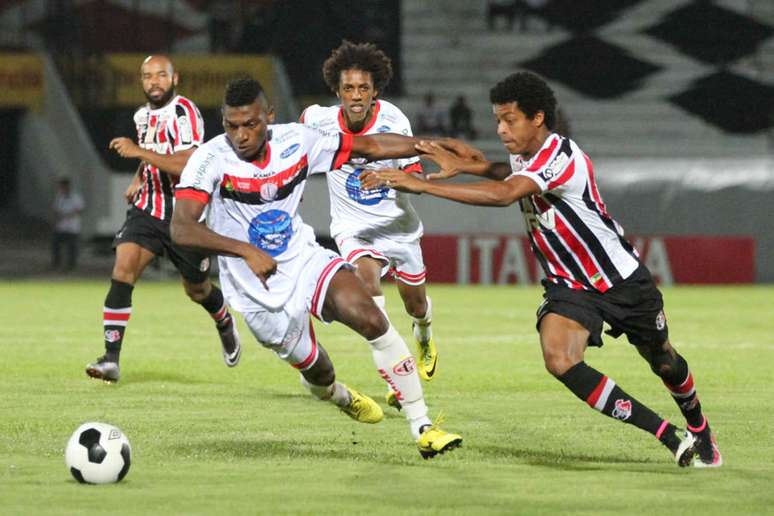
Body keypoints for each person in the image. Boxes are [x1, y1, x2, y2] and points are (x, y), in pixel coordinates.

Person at [362, 71, 722, 468]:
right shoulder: (525, 154)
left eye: (509, 119)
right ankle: (667, 434)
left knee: (663, 360)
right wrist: (471, 167)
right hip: (569, 285)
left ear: (537, 118)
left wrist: (425, 186)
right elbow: (507, 173)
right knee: (559, 359)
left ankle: (699, 427)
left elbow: (506, 194)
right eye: (497, 120)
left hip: (620, 279)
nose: (500, 129)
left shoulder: (561, 155)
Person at [170, 77, 462, 458]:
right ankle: (339, 396)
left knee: (371, 318)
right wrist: (244, 250)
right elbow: (182, 227)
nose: (240, 135)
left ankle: (423, 426)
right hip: (257, 292)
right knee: (319, 372)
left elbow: (370, 146)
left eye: (251, 124)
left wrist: (434, 147)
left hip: (306, 260)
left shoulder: (297, 141)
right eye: (231, 125)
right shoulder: (209, 159)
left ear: (269, 116)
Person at [299, 41, 438, 410]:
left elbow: (415, 175)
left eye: (363, 88)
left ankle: (423, 333)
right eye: (349, 88)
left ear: (375, 90)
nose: (356, 96)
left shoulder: (394, 120)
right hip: (352, 227)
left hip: (397, 225)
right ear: (337, 90)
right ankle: (398, 372)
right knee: (367, 290)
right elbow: (293, 142)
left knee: (416, 304)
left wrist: (393, 176)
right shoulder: (319, 119)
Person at [85, 55, 240, 383]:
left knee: (196, 290)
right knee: (123, 270)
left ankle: (224, 320)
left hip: (187, 214)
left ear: (175, 78)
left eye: (160, 75)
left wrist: (139, 153)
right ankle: (111, 359)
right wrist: (140, 177)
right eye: (147, 76)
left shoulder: (185, 111)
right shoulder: (141, 115)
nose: (154, 81)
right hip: (148, 210)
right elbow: (154, 151)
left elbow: (188, 164)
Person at [51, 176, 85, 272]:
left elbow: (79, 210)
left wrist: (67, 216)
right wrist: (56, 219)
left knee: (72, 247)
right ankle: (56, 263)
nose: (61, 188)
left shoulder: (75, 197)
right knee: (55, 244)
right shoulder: (59, 197)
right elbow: (55, 209)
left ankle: (71, 265)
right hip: (61, 227)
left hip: (72, 227)